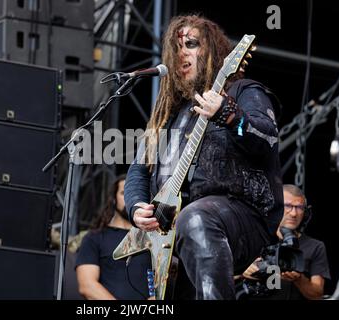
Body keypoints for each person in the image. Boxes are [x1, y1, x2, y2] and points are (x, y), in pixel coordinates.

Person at [124, 14, 284, 299]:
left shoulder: (242, 91)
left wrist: (228, 114)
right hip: (174, 231)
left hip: (237, 213)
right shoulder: (168, 113)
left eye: (191, 44)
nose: (181, 52)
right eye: (176, 48)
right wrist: (137, 206)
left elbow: (268, 138)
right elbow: (139, 168)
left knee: (196, 218)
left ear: (213, 51)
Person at [242, 184, 331, 300]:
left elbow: (317, 294)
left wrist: (299, 279)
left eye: (299, 207)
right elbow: (215, 277)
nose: (294, 213)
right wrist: (244, 271)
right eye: (288, 206)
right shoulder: (254, 239)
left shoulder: (315, 246)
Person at [75, 175, 152, 300]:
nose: (130, 199)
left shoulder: (153, 237)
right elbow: (87, 285)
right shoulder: (94, 238)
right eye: (124, 193)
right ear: (113, 199)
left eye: (136, 194)